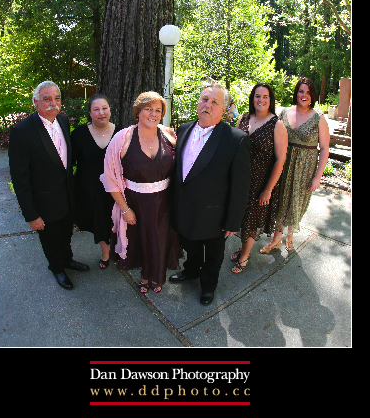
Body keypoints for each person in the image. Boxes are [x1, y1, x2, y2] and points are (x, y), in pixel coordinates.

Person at [169, 82, 251, 305]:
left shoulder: (236, 139)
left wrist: (233, 221)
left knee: (213, 255)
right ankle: (191, 270)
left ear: (223, 110)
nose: (208, 105)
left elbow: (241, 186)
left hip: (215, 215)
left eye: (215, 102)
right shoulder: (184, 129)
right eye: (205, 99)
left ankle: (208, 286)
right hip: (184, 208)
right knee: (190, 245)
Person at [8, 81, 90, 290]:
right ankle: (57, 268)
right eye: (47, 99)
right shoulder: (21, 131)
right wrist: (31, 215)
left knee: (66, 234)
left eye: (57, 98)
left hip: (66, 195)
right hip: (44, 201)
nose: (53, 103)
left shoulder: (62, 120)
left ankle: (67, 260)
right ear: (35, 102)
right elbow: (20, 178)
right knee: (50, 238)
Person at [101, 91, 181, 293]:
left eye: (158, 110)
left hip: (165, 201)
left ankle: (157, 277)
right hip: (135, 202)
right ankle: (145, 276)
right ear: (138, 112)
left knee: (161, 240)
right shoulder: (123, 137)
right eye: (148, 109)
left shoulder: (169, 135)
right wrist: (125, 209)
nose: (153, 114)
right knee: (141, 241)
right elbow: (109, 177)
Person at [264, 77, 330, 253]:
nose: (304, 95)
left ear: (313, 96)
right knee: (281, 200)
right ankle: (280, 237)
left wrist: (318, 176)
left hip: (304, 168)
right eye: (301, 91)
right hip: (283, 164)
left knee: (296, 203)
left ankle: (285, 236)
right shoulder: (284, 113)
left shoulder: (318, 118)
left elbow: (324, 149)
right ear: (296, 93)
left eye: (308, 92)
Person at [230, 83, 288, 273]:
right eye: (257, 96)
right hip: (241, 177)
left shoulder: (276, 124)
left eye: (265, 97)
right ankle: (242, 248)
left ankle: (245, 257)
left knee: (251, 220)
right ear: (252, 98)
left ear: (270, 100)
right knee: (241, 216)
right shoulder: (245, 118)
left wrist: (268, 189)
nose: (260, 100)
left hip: (261, 180)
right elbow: (234, 146)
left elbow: (280, 160)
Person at [71, 94, 120, 270]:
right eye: (96, 109)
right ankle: (106, 252)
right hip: (88, 188)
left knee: (114, 221)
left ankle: (119, 249)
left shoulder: (121, 133)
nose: (101, 113)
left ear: (110, 110)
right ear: (90, 113)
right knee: (97, 221)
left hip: (114, 188)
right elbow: (69, 161)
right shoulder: (79, 134)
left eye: (104, 108)